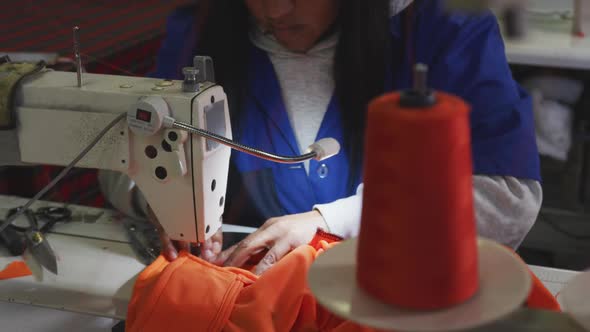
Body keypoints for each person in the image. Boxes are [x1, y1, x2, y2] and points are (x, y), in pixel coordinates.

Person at [99, 0, 542, 275]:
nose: (274, 10)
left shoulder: (444, 30)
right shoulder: (200, 31)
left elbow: (508, 198)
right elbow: (123, 160)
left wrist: (333, 219)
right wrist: (160, 202)